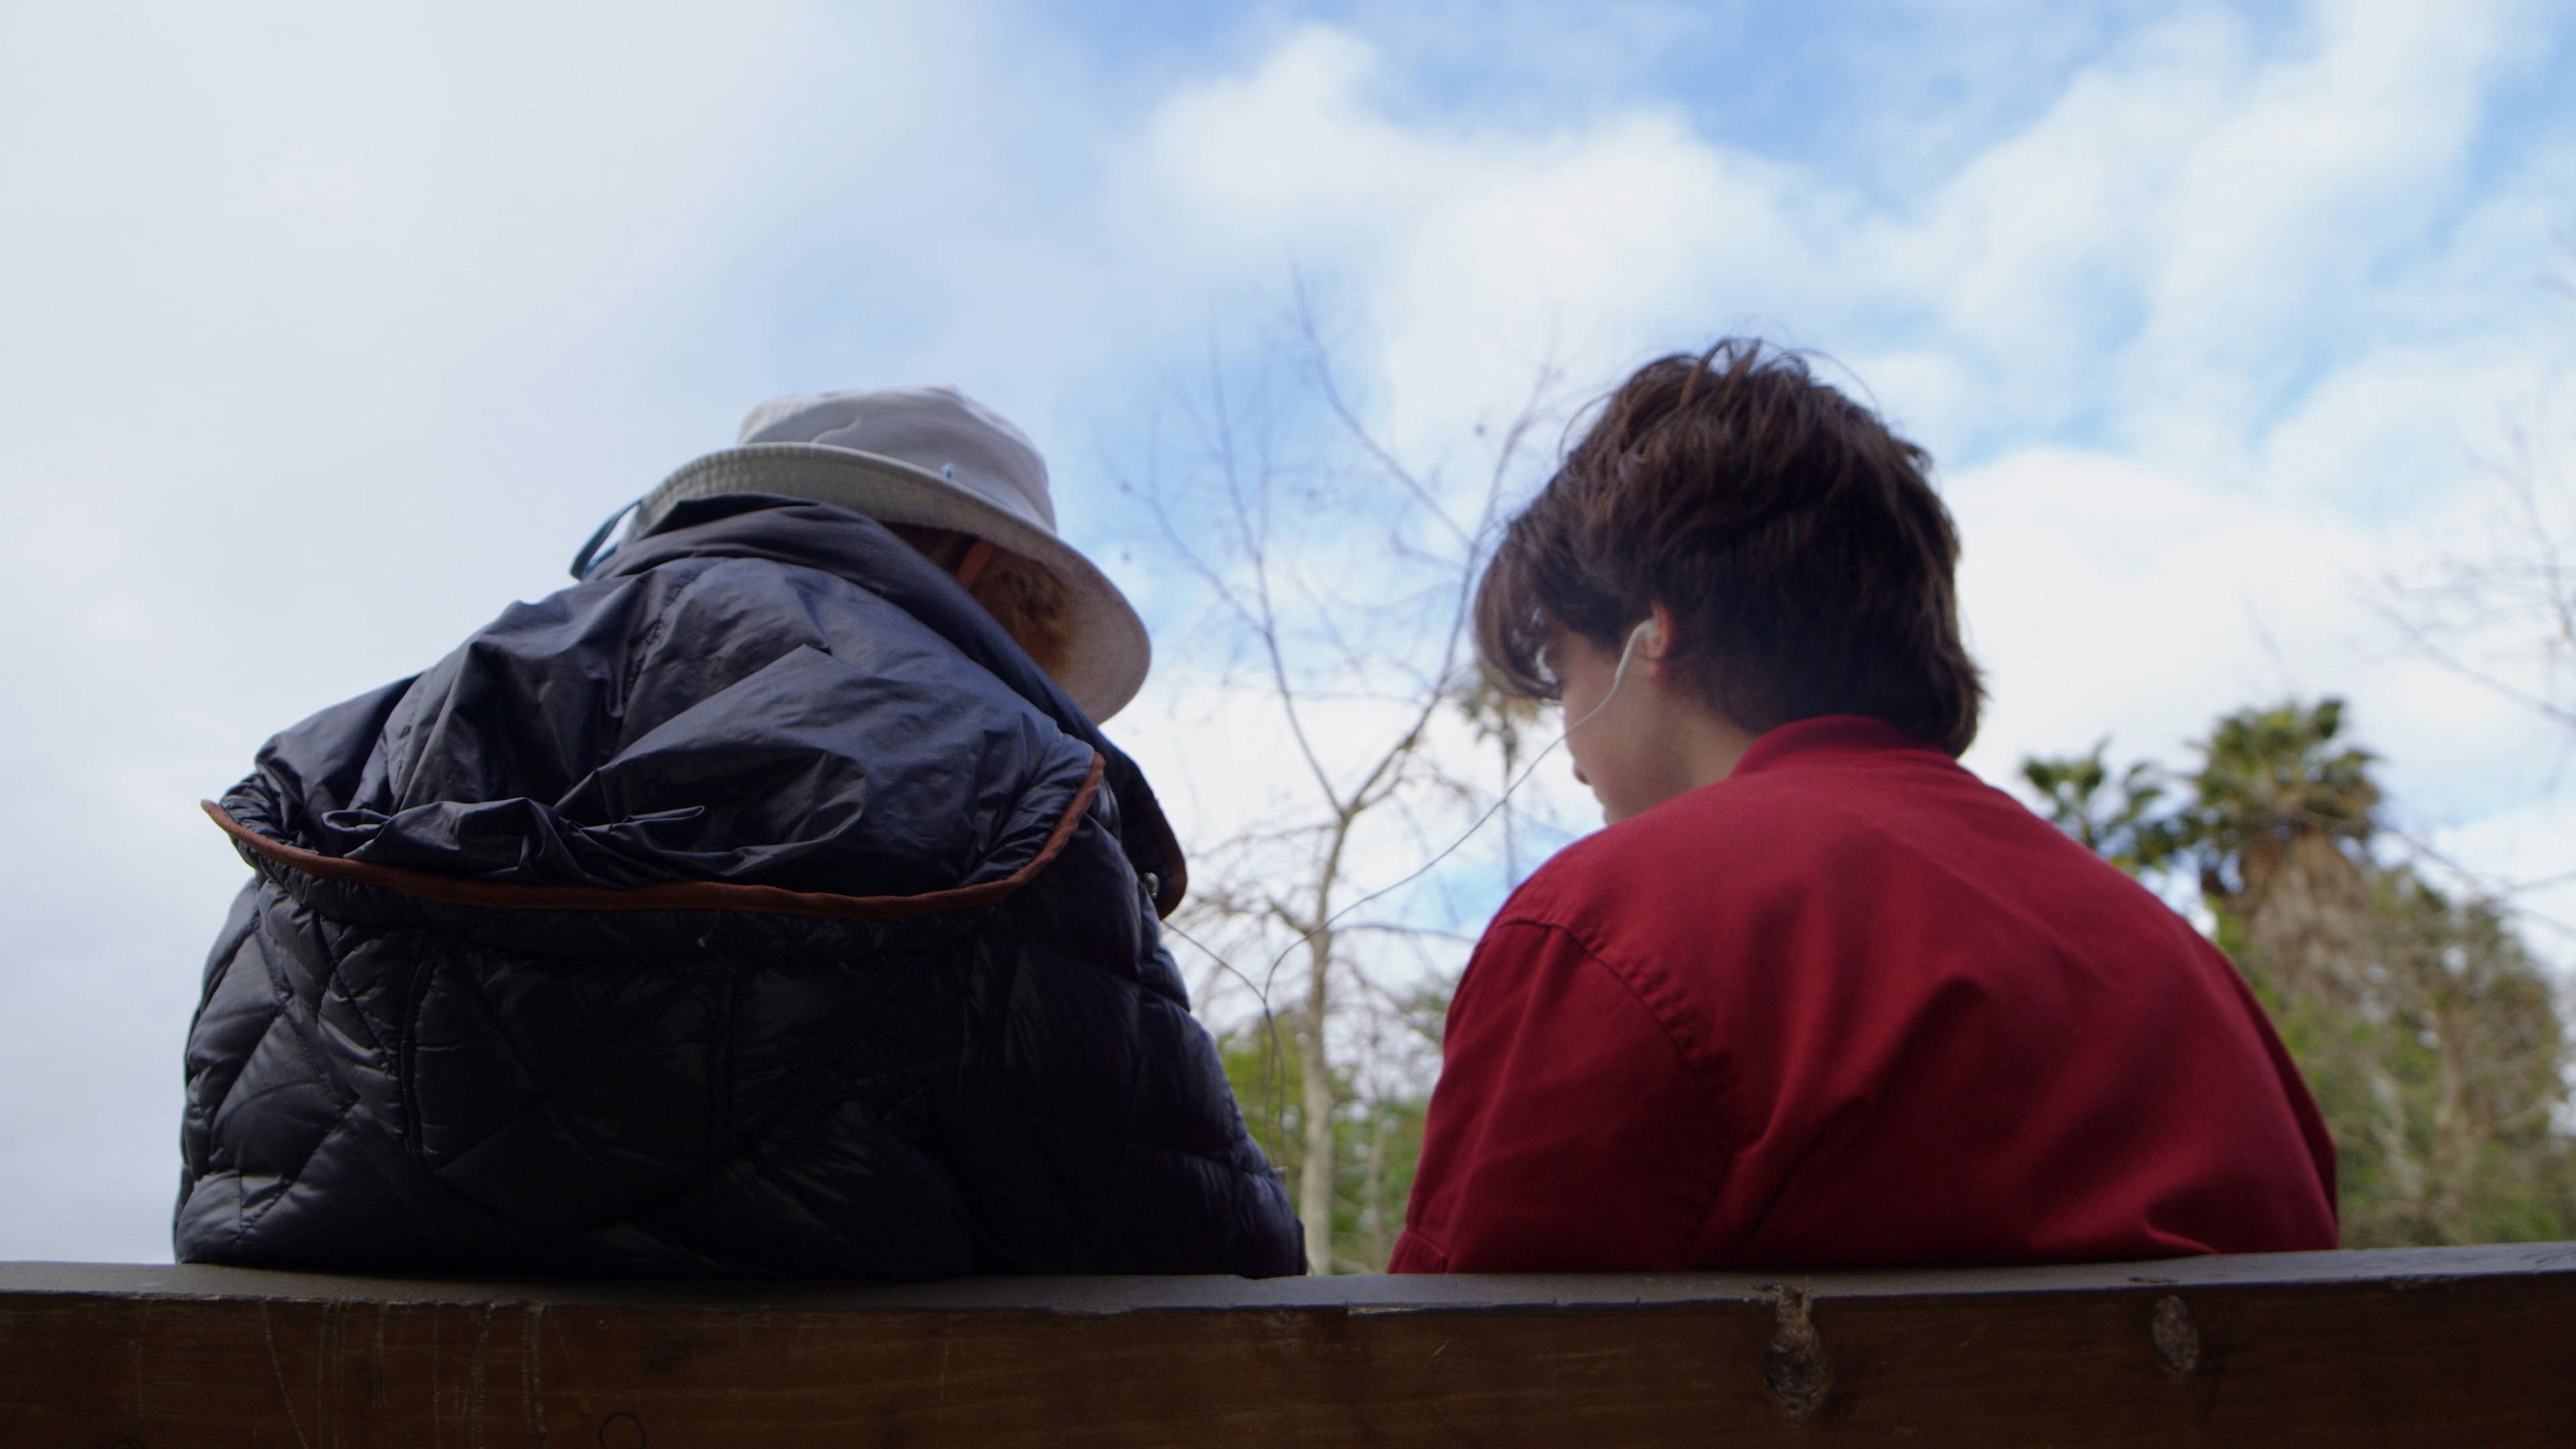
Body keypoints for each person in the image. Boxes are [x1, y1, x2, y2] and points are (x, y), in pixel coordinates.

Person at [178, 386, 1302, 1279]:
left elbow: (238, 1178)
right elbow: (1197, 1246)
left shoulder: (363, 745)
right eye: (1027, 622)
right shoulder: (1008, 767)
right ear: (977, 568)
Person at [1390, 343, 2337, 1273]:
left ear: (1653, 635)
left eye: (1563, 674)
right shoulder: (2196, 982)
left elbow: (1449, 1366)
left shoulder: (1607, 929)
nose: (1573, 758)